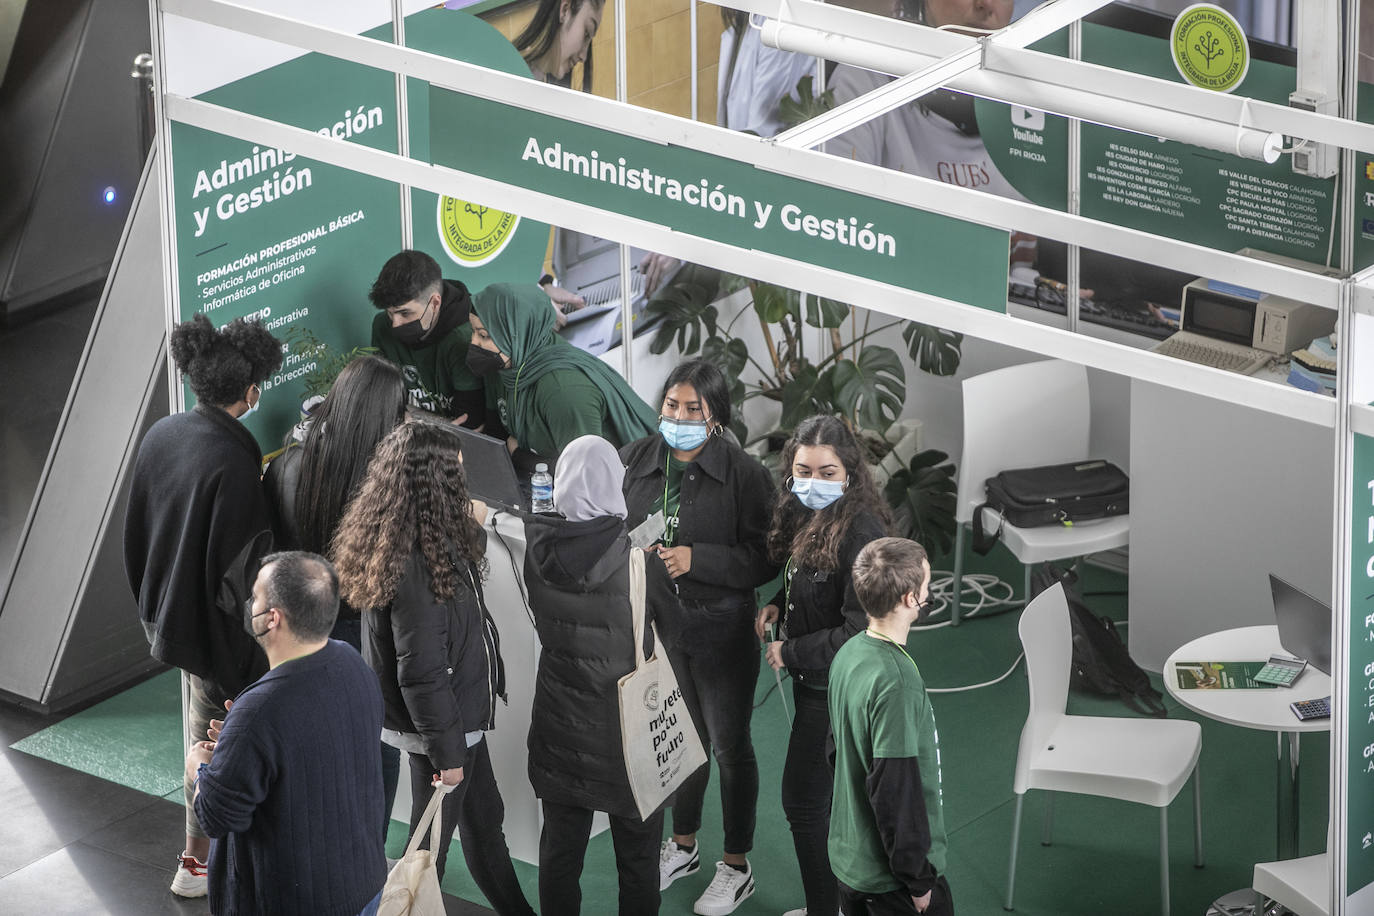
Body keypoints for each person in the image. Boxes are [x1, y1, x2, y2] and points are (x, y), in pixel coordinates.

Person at [332, 422, 534, 916]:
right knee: (428, 855)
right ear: (435, 483)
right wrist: (447, 753)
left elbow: (468, 554)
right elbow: (421, 672)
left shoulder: (415, 534)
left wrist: (475, 521)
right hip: (443, 731)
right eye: (457, 472)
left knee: (484, 824)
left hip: (451, 724)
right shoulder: (417, 567)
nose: (465, 477)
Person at [123, 313, 281, 897]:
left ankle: (199, 857)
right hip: (218, 644)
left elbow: (135, 535)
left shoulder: (163, 434)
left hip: (170, 618)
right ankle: (198, 864)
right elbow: (242, 585)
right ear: (252, 392)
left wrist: (157, 610)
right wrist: (247, 664)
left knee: (199, 735)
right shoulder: (236, 466)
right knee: (215, 745)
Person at [619, 359, 776, 915]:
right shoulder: (638, 457)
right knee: (682, 744)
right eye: (670, 405)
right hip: (659, 629)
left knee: (729, 748)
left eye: (692, 409)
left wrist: (698, 559)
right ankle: (682, 846)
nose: (678, 417)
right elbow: (619, 524)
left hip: (721, 632)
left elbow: (765, 557)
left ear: (715, 418)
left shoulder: (745, 474)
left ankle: (736, 865)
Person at [522, 434, 682, 916]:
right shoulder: (638, 560)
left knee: (559, 856)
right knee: (637, 862)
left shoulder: (536, 547)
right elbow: (675, 630)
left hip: (559, 727)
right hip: (626, 735)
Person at [186, 551, 386, 916]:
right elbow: (308, 752)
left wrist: (200, 768)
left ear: (272, 618)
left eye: (256, 597)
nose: (250, 604)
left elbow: (216, 816)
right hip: (361, 887)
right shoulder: (352, 663)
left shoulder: (259, 711)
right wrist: (238, 749)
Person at [262, 353, 407, 837]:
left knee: (310, 752)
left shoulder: (287, 466)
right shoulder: (385, 484)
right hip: (366, 635)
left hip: (299, 633)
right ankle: (370, 854)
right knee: (376, 750)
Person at [753, 414, 892, 916]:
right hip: (822, 685)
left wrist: (790, 652)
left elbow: (860, 631)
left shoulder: (861, 535)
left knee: (803, 804)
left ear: (849, 472)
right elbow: (809, 581)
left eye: (826, 472)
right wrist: (777, 601)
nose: (813, 482)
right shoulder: (814, 515)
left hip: (835, 692)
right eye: (803, 471)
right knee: (829, 802)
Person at [825, 0, 1037, 272]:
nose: (985, 5)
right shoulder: (865, 81)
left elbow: (1021, 272)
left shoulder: (1027, 108)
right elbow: (839, 233)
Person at [829, 538, 951, 916]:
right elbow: (894, 789)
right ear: (910, 599)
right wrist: (917, 880)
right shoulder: (896, 681)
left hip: (850, 862)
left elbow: (835, 749)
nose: (929, 592)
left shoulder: (849, 653)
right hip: (890, 883)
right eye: (926, 585)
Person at [466, 282, 658, 462]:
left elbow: (585, 476)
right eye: (473, 332)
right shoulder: (505, 367)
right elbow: (495, 436)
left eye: (483, 335)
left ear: (516, 334)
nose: (474, 343)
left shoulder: (563, 392)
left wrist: (519, 456)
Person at [368, 249, 495, 427]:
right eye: (390, 313)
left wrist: (410, 416)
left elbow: (470, 425)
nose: (395, 324)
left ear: (435, 303)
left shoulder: (466, 339)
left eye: (405, 313)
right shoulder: (382, 326)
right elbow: (383, 402)